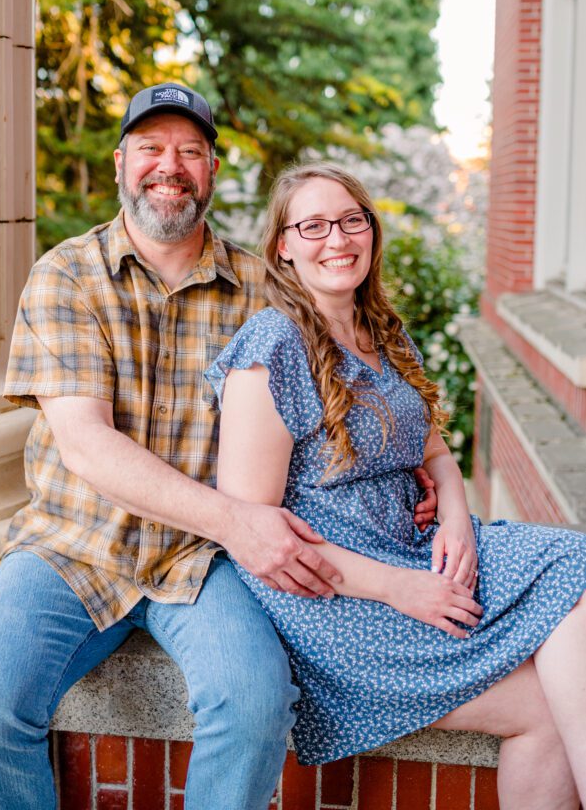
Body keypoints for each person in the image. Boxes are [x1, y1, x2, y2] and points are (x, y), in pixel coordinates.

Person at [0, 84, 437, 810]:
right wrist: (239, 520)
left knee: (256, 707)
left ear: (211, 171)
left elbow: (346, 393)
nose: (169, 165)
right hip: (75, 546)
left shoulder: (268, 291)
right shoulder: (65, 275)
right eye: (151, 148)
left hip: (207, 561)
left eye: (189, 152)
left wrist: (406, 465)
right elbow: (87, 445)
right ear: (120, 164)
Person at [207, 161, 586, 810]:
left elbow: (432, 446)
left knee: (574, 565)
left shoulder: (381, 328)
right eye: (315, 226)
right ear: (283, 247)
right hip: (337, 595)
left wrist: (456, 515)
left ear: (372, 233)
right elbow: (255, 536)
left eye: (352, 221)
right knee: (543, 706)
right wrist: (400, 588)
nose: (338, 239)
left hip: (416, 549)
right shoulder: (271, 347)